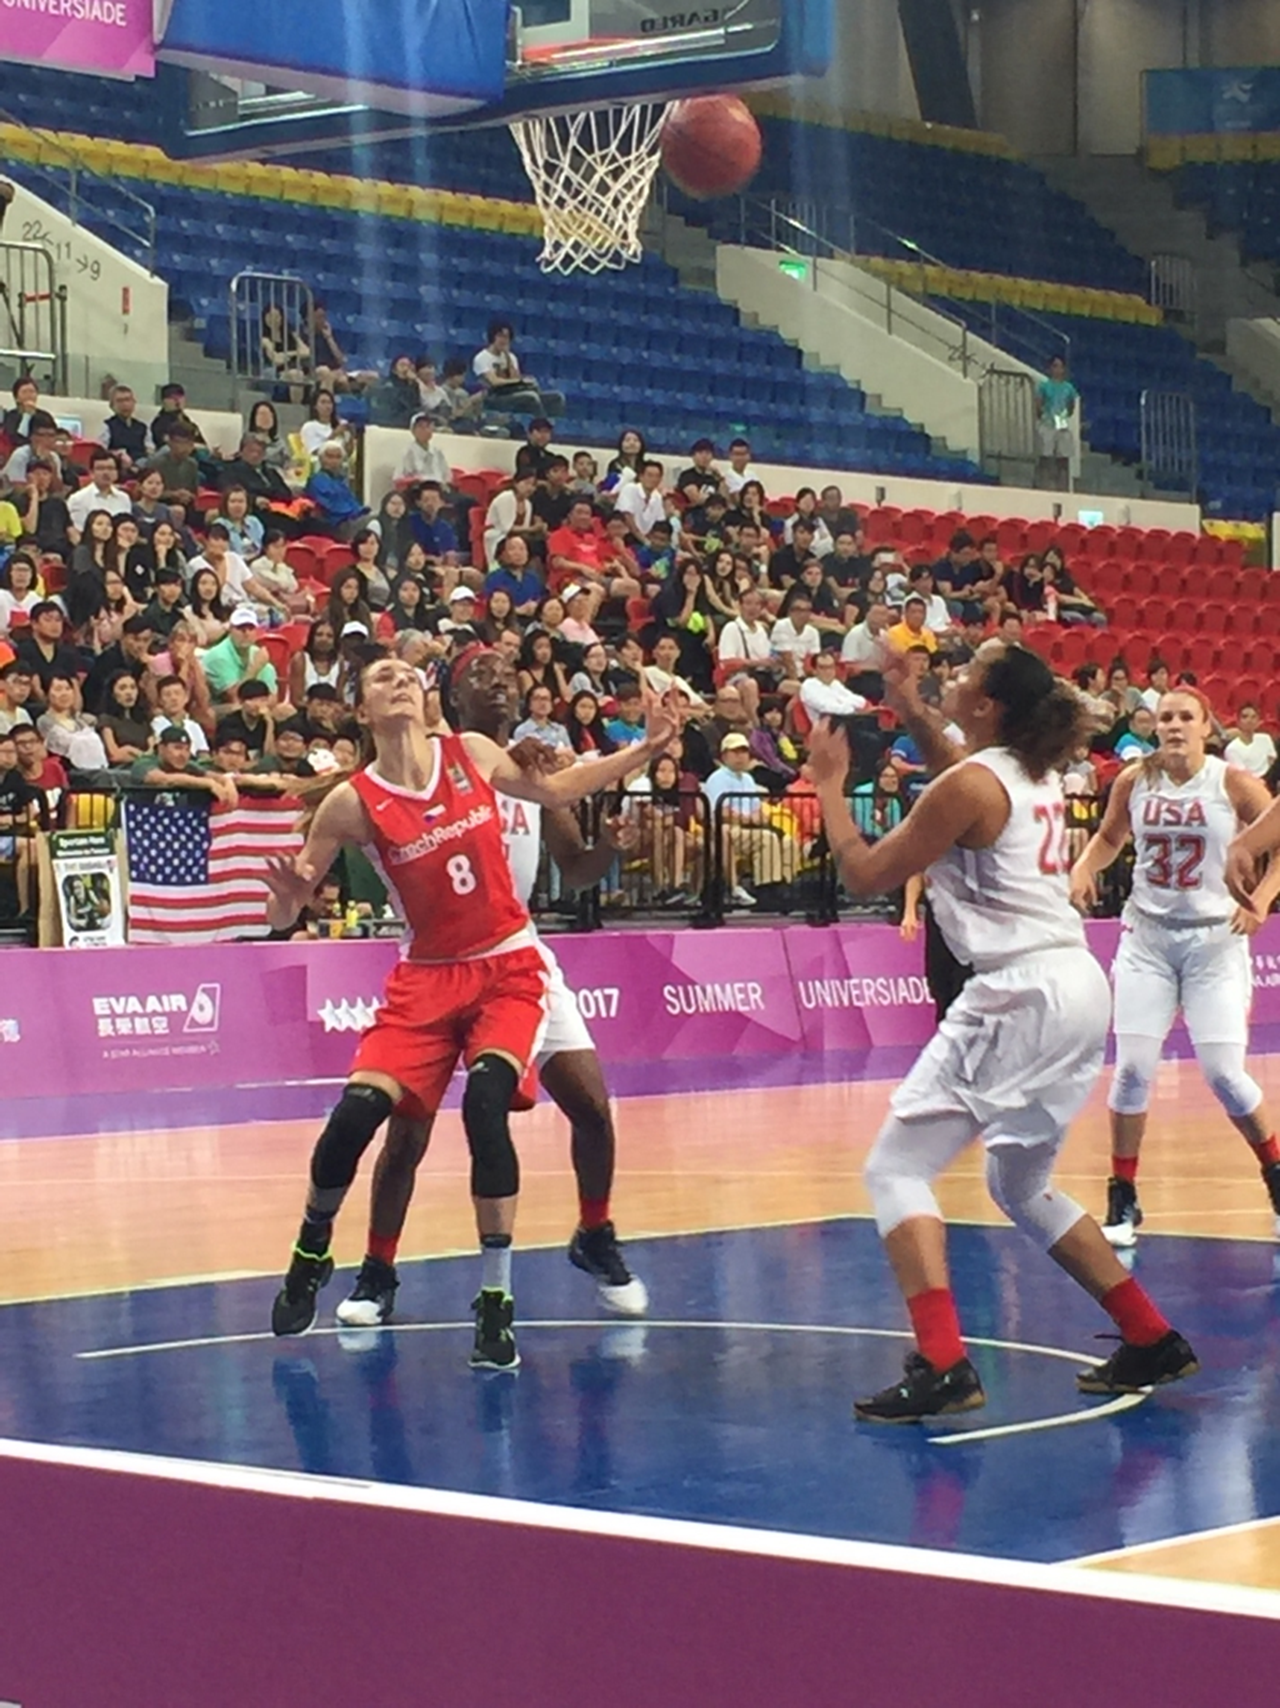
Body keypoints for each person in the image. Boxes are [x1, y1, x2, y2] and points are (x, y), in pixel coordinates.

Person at [805, 641, 1197, 1421]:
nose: (953, 679)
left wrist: (829, 789)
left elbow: (864, 872)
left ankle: (945, 1364)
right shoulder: (1025, 767)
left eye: (965, 676)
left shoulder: (969, 786)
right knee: (1017, 1183)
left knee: (895, 1171)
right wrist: (912, 703)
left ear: (988, 706)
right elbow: (956, 760)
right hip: (1077, 984)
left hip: (1020, 989)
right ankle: (1149, 1337)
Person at [261, 654, 675, 1363]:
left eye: (405, 673)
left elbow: (564, 798)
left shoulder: (485, 758)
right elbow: (285, 906)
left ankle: (545, 1266)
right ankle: (361, 1266)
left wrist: (648, 747)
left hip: (514, 957)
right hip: (429, 973)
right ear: (363, 712)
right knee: (386, 1130)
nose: (397, 680)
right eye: (379, 675)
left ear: (428, 698)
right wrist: (289, 903)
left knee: (567, 1104)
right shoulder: (354, 801)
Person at [1069, 686, 1280, 1247]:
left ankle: (1275, 1175)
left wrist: (1262, 899)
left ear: (1207, 726)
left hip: (1215, 940)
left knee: (1225, 1076)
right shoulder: (1134, 781)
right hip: (1149, 939)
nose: (1173, 725)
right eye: (1164, 717)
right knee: (1134, 1068)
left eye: (1186, 716)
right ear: (1153, 726)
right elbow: (1110, 838)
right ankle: (1123, 1193)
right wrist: (1085, 866)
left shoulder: (1232, 782)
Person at [1036, 354, 1078, 491]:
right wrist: (1044, 415)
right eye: (1055, 366)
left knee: (1063, 457)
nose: (1058, 370)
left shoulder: (1069, 388)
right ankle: (1044, 485)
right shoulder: (1044, 386)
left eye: (1060, 366)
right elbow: (1039, 403)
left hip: (1061, 422)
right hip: (1047, 422)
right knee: (1046, 455)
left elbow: (1071, 406)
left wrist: (1063, 416)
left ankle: (1062, 487)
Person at [1225, 704, 1277, 781]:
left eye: (1253, 717)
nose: (1250, 720)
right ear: (1238, 722)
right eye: (1245, 717)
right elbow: (1242, 775)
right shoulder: (1232, 749)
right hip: (1251, 783)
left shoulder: (1265, 738)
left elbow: (1272, 761)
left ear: (1258, 721)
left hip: (1270, 778)